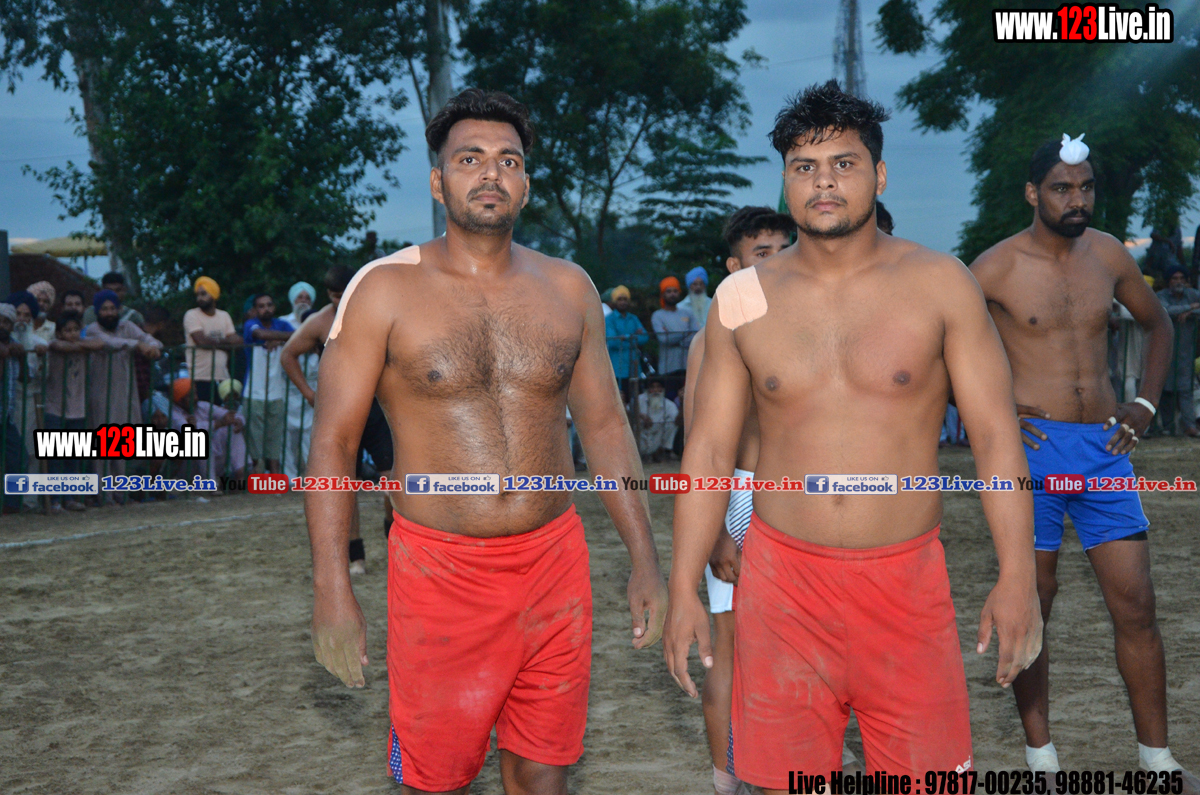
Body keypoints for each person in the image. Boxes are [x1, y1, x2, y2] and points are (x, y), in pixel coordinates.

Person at [664, 81, 1042, 787]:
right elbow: (709, 451)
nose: (824, 182)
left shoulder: (941, 283)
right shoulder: (741, 298)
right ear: (785, 181)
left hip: (905, 583)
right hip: (781, 587)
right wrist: (683, 583)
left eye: (844, 163)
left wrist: (1017, 573)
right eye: (804, 167)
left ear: (880, 174)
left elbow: (995, 438)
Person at [305, 88, 667, 795]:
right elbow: (334, 443)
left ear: (526, 183)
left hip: (554, 565)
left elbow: (604, 426)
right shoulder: (382, 289)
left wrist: (646, 559)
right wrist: (332, 588)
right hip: (440, 573)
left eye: (509, 160)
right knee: (436, 779)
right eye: (469, 159)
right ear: (438, 182)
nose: (490, 173)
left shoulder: (569, 288)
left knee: (544, 770)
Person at [969, 135, 1190, 779]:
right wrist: (994, 412)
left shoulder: (1110, 254)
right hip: (1030, 458)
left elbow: (1159, 323)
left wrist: (1145, 403)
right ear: (1033, 193)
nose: (1078, 199)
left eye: (1086, 187)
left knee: (1137, 606)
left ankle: (1158, 761)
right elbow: (936, 345)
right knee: (1033, 604)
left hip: (1104, 449)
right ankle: (1041, 762)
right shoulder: (993, 267)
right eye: (1062, 188)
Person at [680, 205, 798, 794]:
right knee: (729, 647)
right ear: (734, 266)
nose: (775, 263)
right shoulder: (714, 336)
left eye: (783, 250)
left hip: (802, 501)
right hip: (740, 496)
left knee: (803, 646)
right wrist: (719, 530)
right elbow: (698, 443)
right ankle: (726, 782)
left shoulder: (804, 319)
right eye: (761, 253)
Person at [281, 265, 379, 575]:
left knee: (394, 479)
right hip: (341, 411)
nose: (340, 300)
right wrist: (309, 393)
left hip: (378, 407)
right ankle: (356, 557)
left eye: (344, 294)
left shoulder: (374, 312)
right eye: (335, 296)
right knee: (346, 484)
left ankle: (395, 540)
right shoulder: (320, 321)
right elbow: (287, 354)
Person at [85, 289, 163, 504]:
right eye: (104, 309)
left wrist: (153, 347)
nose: (109, 313)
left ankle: (120, 492)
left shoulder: (126, 326)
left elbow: (150, 340)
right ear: (97, 312)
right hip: (100, 393)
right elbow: (111, 343)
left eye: (113, 308)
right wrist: (138, 345)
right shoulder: (92, 329)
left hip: (125, 392)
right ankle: (103, 494)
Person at [44, 311, 104, 512]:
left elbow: (100, 343)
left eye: (75, 329)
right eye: (67, 330)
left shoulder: (84, 344)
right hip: (55, 408)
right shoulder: (55, 344)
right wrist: (81, 345)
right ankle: (54, 500)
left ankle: (69, 498)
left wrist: (80, 344)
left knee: (72, 457)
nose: (72, 334)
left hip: (77, 409)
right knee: (55, 457)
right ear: (59, 333)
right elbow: (59, 346)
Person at [242, 293, 293, 473]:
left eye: (269, 305)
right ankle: (257, 478)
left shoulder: (281, 324)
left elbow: (300, 334)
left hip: (276, 390)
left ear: (274, 307)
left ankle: (275, 478)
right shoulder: (251, 324)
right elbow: (260, 334)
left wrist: (277, 339)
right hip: (253, 390)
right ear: (255, 309)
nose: (266, 309)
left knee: (275, 438)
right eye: (261, 306)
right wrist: (281, 338)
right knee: (254, 439)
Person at [280, 281, 319, 476]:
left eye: (307, 298)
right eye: (300, 297)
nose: (303, 301)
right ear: (292, 300)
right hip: (287, 385)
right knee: (287, 433)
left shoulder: (317, 321)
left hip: (313, 383)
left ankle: (311, 475)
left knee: (309, 432)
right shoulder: (282, 323)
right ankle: (289, 476)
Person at [1156, 266, 1200, 437]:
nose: (1178, 281)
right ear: (1168, 281)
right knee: (1166, 388)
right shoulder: (1162, 295)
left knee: (1185, 388)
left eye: (1182, 278)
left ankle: (1189, 425)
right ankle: (1168, 426)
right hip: (1165, 348)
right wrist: (1189, 307)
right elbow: (1164, 310)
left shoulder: (1192, 294)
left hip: (1186, 350)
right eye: (1175, 278)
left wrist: (1191, 311)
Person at [183, 277, 241, 406]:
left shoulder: (224, 316)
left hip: (222, 377)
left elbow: (237, 343)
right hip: (200, 377)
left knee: (224, 414)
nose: (199, 298)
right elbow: (202, 342)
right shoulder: (191, 315)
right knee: (204, 413)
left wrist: (214, 342)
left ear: (213, 295)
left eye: (203, 294)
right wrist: (226, 342)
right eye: (198, 295)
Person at [604, 285, 648, 401]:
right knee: (619, 400)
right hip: (617, 368)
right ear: (614, 301)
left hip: (634, 367)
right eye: (619, 299)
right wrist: (633, 337)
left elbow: (645, 338)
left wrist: (625, 337)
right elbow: (613, 342)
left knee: (636, 401)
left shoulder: (633, 318)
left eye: (625, 299)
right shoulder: (609, 319)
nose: (622, 302)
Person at [650, 276, 697, 382]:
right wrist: (686, 333)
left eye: (675, 291)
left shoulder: (688, 313)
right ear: (663, 294)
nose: (672, 294)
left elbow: (696, 336)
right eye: (669, 291)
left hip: (688, 366)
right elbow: (664, 339)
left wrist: (673, 338)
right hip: (668, 368)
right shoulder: (657, 316)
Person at [637, 378, 678, 461]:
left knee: (671, 423)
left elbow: (676, 420)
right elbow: (627, 413)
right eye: (652, 387)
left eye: (658, 387)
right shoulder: (639, 400)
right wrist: (639, 416)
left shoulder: (669, 405)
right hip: (641, 435)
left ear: (663, 389)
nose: (655, 390)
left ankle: (663, 451)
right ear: (648, 390)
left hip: (658, 437)